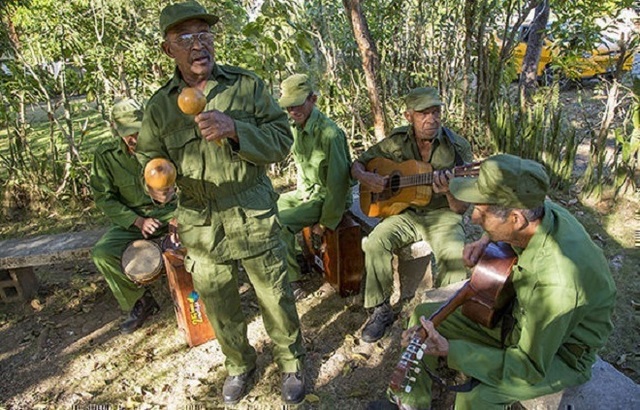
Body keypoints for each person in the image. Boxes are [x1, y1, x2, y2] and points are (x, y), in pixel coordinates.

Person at [134, 1, 306, 405]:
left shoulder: (246, 87)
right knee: (218, 300)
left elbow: (282, 141)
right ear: (168, 49)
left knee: (274, 294)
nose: (198, 45)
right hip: (200, 219)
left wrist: (236, 129)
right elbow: (150, 161)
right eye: (185, 38)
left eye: (204, 34)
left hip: (251, 208)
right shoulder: (160, 107)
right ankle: (239, 364)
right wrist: (157, 188)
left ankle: (291, 361)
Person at [383, 154, 616, 410]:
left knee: (476, 399)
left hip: (559, 353)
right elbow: (530, 212)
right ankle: (409, 402)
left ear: (515, 219)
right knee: (423, 316)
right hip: (516, 318)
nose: (473, 218)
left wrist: (451, 350)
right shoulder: (537, 207)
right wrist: (487, 239)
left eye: (481, 212)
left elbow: (527, 367)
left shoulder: (556, 283)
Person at [351, 87, 473, 343]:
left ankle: (443, 319)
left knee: (454, 254)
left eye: (436, 111)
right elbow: (358, 164)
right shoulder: (396, 141)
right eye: (423, 114)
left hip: (442, 214)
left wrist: (449, 192)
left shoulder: (457, 147)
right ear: (409, 116)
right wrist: (368, 178)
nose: (432, 119)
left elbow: (461, 208)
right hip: (405, 212)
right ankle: (380, 308)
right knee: (376, 241)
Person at [90, 98, 177, 334]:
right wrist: (137, 221)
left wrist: (175, 210)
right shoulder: (106, 156)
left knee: (195, 243)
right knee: (102, 253)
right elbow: (104, 197)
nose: (134, 138)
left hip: (172, 214)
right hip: (133, 221)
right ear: (115, 129)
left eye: (138, 131)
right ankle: (140, 301)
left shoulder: (163, 145)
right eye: (128, 133)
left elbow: (188, 182)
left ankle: (198, 297)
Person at [277, 73, 354, 300]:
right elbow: (302, 166)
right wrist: (301, 194)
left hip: (329, 199)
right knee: (269, 205)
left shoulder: (330, 134)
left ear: (313, 99)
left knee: (280, 222)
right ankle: (297, 255)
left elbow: (338, 186)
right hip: (309, 193)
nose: (293, 110)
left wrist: (325, 222)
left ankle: (292, 280)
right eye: (289, 106)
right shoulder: (296, 128)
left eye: (298, 103)